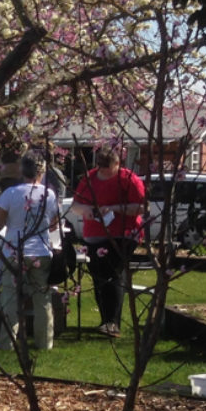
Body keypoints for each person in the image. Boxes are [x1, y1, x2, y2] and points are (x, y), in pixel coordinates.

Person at [72, 145, 146, 338]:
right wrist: (86, 211)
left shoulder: (129, 179)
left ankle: (112, 321)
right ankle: (106, 319)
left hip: (122, 233)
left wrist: (114, 208)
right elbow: (76, 205)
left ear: (117, 164)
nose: (104, 172)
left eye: (108, 169)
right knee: (98, 275)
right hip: (94, 232)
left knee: (112, 272)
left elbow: (140, 207)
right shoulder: (89, 178)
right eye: (101, 169)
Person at [0, 155, 61, 351]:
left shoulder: (10, 193)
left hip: (14, 250)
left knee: (10, 298)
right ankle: (45, 343)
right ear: (42, 172)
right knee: (43, 299)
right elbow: (54, 225)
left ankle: (7, 342)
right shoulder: (49, 194)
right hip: (40, 250)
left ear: (22, 171)